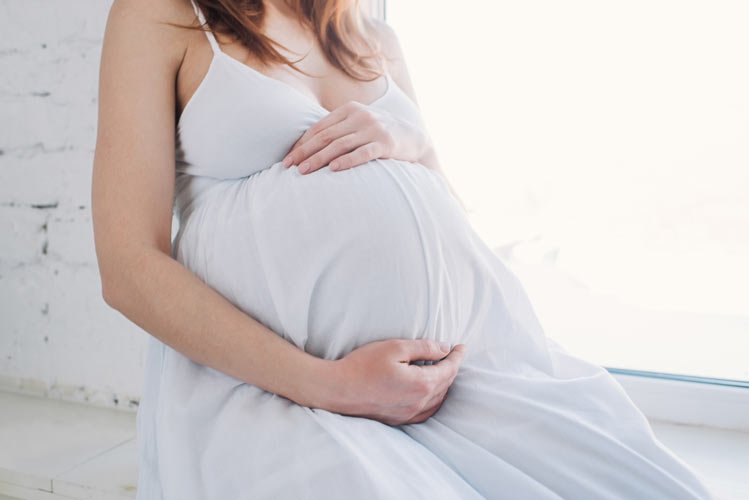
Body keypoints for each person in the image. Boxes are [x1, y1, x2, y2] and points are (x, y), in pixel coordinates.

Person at [92, 0, 718, 498]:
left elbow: (441, 211)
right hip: (282, 390)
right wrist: (330, 386)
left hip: (466, 375)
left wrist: (408, 139)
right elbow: (128, 266)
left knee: (640, 479)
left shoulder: (374, 39)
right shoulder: (163, 15)